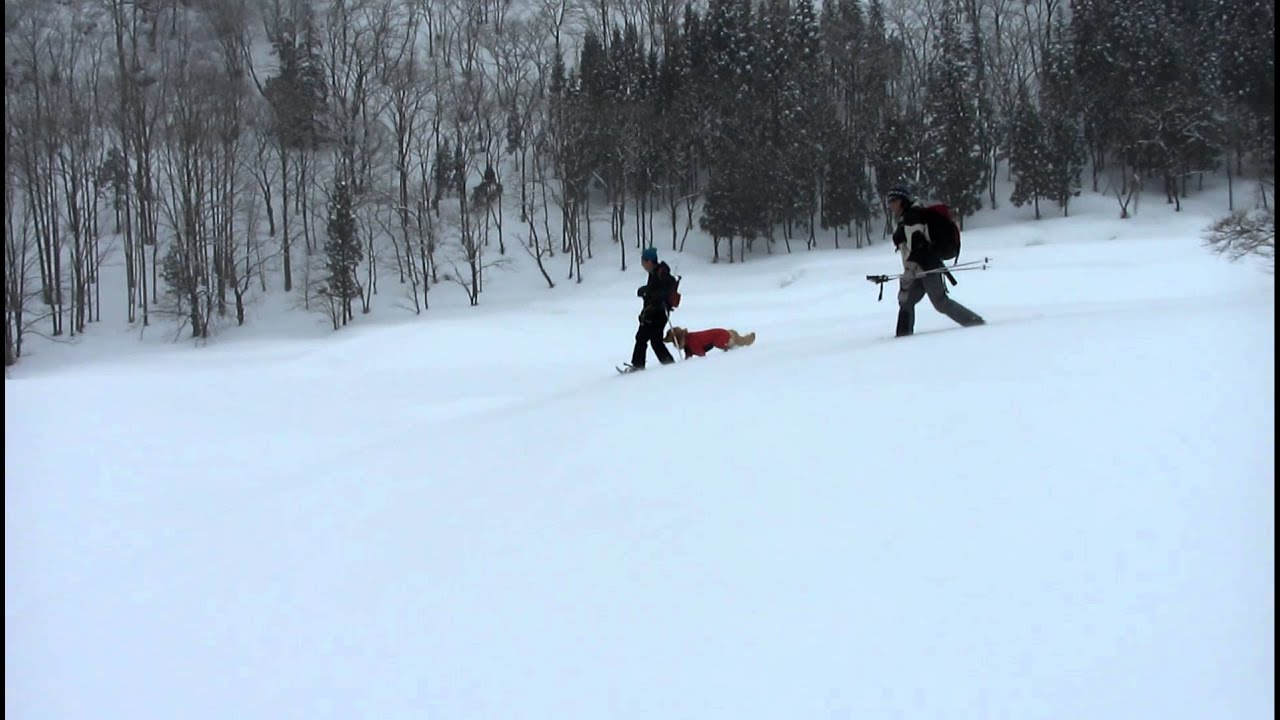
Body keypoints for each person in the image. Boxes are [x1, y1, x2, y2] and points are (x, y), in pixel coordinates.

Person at [886, 186, 985, 337]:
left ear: (902, 201)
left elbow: (918, 247)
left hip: (926, 266)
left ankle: (975, 322)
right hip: (920, 267)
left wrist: (909, 270)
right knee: (906, 301)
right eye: (889, 201)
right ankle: (903, 336)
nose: (890, 205)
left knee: (940, 302)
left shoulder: (912, 217)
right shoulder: (909, 216)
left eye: (894, 200)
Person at [622, 247, 677, 371]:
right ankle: (669, 364)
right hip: (655, 312)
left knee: (641, 338)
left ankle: (638, 365)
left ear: (649, 261)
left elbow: (666, 287)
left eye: (643, 261)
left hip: (657, 312)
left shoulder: (661, 272)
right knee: (656, 341)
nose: (642, 264)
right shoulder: (655, 273)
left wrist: (648, 292)